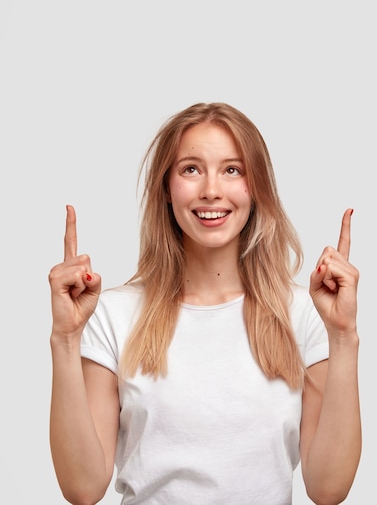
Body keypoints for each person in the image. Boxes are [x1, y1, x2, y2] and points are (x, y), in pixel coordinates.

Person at [49, 102, 361, 505]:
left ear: (258, 186)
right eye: (191, 169)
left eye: (232, 170)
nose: (211, 189)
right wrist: (65, 338)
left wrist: (344, 336)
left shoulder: (304, 314)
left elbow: (328, 489)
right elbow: (83, 488)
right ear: (166, 187)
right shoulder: (113, 315)